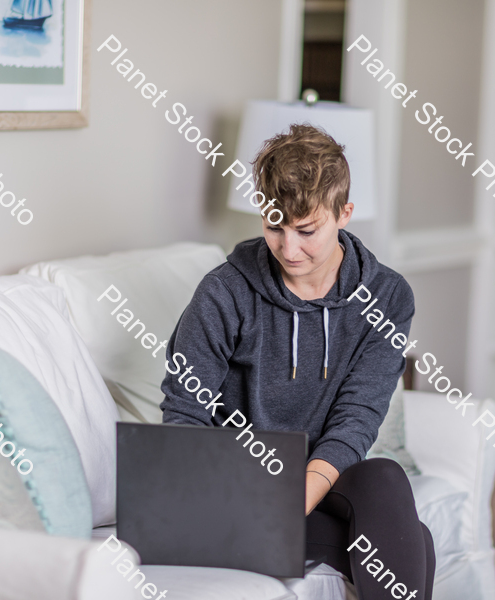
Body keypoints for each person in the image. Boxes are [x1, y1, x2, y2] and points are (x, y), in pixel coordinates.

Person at [160, 124, 435, 600]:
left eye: (307, 231)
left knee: (384, 479)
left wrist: (297, 499)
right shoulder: (224, 292)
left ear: (344, 214)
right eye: (273, 226)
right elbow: (184, 413)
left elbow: (358, 419)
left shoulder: (387, 297)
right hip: (240, 486)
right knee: (417, 543)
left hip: (322, 479)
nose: (289, 250)